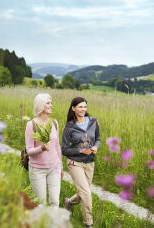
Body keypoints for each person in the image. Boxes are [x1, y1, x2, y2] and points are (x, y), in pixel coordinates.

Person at [62, 97, 100, 228]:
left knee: (83, 192)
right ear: (73, 108)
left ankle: (69, 203)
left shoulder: (94, 122)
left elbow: (98, 139)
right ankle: (88, 224)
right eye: (80, 107)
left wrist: (96, 147)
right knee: (86, 193)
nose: (83, 109)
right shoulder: (69, 127)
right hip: (75, 163)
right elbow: (65, 150)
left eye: (85, 107)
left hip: (90, 162)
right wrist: (80, 150)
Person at [25, 93, 63, 207]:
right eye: (48, 103)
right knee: (40, 204)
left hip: (54, 167)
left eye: (51, 103)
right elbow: (29, 151)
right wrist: (41, 148)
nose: (51, 105)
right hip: (37, 169)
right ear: (40, 105)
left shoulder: (54, 123)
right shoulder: (31, 124)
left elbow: (57, 146)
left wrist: (60, 166)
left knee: (55, 202)